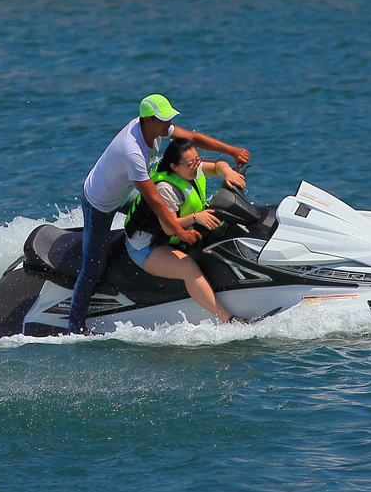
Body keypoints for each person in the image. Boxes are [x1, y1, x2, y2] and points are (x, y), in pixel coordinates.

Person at [67, 94, 249, 335]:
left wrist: (232, 151)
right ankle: (75, 326)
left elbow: (193, 138)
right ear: (147, 120)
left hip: (124, 190)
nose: (169, 124)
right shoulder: (132, 151)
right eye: (164, 120)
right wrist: (180, 231)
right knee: (94, 265)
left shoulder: (154, 129)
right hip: (100, 202)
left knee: (149, 216)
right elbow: (154, 200)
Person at [122, 138, 248, 324]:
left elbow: (216, 166)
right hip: (146, 246)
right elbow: (169, 227)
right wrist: (196, 217)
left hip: (175, 235)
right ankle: (228, 319)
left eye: (197, 160)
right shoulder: (165, 188)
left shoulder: (191, 168)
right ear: (174, 166)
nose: (196, 165)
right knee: (188, 268)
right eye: (190, 163)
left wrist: (227, 171)